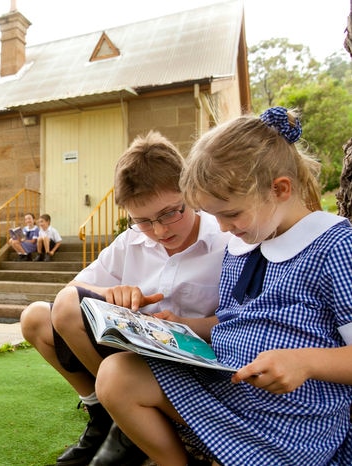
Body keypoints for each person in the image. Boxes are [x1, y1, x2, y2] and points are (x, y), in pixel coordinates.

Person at [95, 108, 352, 466]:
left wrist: (305, 362)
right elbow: (231, 321)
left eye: (230, 214)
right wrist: (182, 326)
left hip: (292, 423)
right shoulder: (242, 244)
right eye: (213, 215)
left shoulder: (335, 246)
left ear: (280, 189)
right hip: (230, 389)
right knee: (116, 374)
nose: (223, 227)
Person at [20, 131, 231, 466]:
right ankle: (106, 417)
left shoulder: (226, 240)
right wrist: (112, 293)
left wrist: (187, 325)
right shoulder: (129, 242)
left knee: (73, 316)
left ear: (190, 192)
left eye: (169, 213)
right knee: (38, 316)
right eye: (143, 220)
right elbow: (70, 291)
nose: (160, 230)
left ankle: (128, 417)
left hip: (190, 367)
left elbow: (242, 321)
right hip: (130, 354)